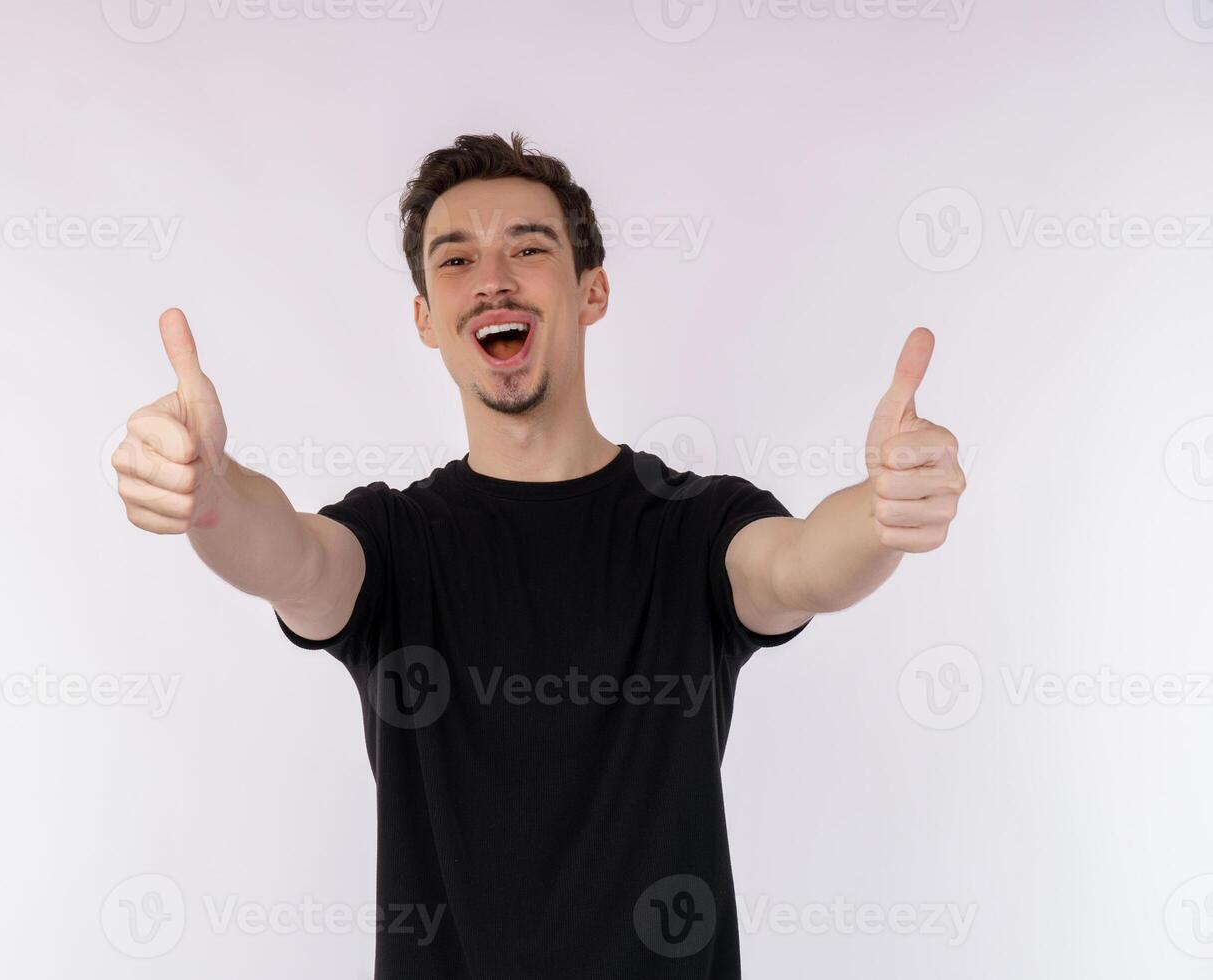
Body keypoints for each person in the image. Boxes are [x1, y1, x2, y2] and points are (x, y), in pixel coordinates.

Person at [110, 132, 967, 978]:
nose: (492, 278)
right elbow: (292, 555)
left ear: (591, 291)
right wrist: (211, 496)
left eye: (528, 247)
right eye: (455, 260)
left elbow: (804, 564)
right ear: (425, 318)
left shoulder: (694, 525)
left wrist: (883, 512)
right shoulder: (392, 545)